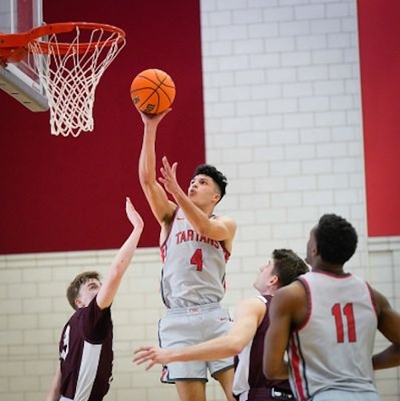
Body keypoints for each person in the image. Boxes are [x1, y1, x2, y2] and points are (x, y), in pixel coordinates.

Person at [137, 109, 237, 401]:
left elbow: (204, 226)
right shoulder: (170, 217)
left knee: (239, 395)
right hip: (178, 320)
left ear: (215, 197)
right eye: (193, 180)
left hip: (214, 317)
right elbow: (146, 180)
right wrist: (149, 127)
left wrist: (178, 191)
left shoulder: (226, 223)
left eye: (203, 182)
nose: (195, 183)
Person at [133, 248, 309, 401]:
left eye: (267, 265)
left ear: (273, 280)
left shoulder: (256, 304)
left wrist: (172, 354)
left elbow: (234, 344)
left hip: (262, 395)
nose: (261, 268)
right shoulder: (303, 313)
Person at [263, 213, 400, 401]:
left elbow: (271, 369)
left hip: (323, 395)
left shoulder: (292, 295)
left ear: (314, 249)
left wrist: (317, 372)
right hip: (369, 395)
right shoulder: (372, 295)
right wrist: (366, 364)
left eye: (310, 238)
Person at [45, 197, 144, 401]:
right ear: (79, 303)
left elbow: (57, 382)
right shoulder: (89, 318)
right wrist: (138, 229)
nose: (100, 290)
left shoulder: (69, 328)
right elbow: (116, 272)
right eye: (92, 287)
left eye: (99, 285)